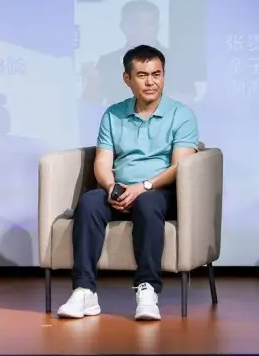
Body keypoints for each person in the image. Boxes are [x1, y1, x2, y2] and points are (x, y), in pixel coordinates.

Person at [57, 44, 200, 321]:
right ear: (127, 79)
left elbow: (180, 166)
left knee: (147, 203)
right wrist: (112, 187)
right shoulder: (114, 114)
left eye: (156, 74)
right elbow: (102, 161)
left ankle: (147, 289)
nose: (151, 82)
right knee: (90, 202)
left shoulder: (181, 114)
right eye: (142, 75)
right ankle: (84, 290)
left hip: (160, 191)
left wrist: (143, 187)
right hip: (121, 188)